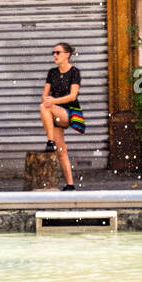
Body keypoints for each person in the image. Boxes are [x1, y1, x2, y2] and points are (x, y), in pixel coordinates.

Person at [39, 42, 84, 191]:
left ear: (67, 55)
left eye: (57, 52)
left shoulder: (74, 72)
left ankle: (50, 141)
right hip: (54, 113)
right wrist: (48, 100)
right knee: (61, 151)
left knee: (46, 106)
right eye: (53, 53)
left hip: (69, 112)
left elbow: (72, 96)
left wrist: (53, 101)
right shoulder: (52, 73)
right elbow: (44, 95)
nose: (55, 55)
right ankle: (70, 184)